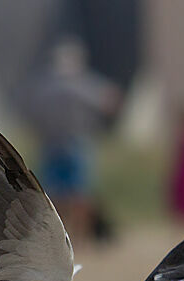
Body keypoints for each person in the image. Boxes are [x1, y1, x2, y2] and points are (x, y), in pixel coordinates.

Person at [30, 37, 120, 243]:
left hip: (52, 143)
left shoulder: (45, 87)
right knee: (79, 194)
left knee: (54, 196)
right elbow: (110, 100)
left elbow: (31, 112)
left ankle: (62, 238)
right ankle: (79, 238)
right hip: (74, 142)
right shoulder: (82, 84)